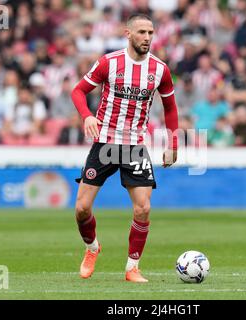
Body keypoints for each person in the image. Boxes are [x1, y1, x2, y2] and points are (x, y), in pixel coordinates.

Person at [70, 14, 179, 283]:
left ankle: (132, 268)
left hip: (135, 146)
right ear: (128, 34)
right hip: (105, 141)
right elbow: (78, 91)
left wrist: (173, 143)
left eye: (151, 32)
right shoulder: (110, 62)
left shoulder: (160, 70)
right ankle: (92, 247)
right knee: (82, 209)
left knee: (143, 208)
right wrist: (87, 115)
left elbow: (170, 107)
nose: (147, 37)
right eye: (141, 32)